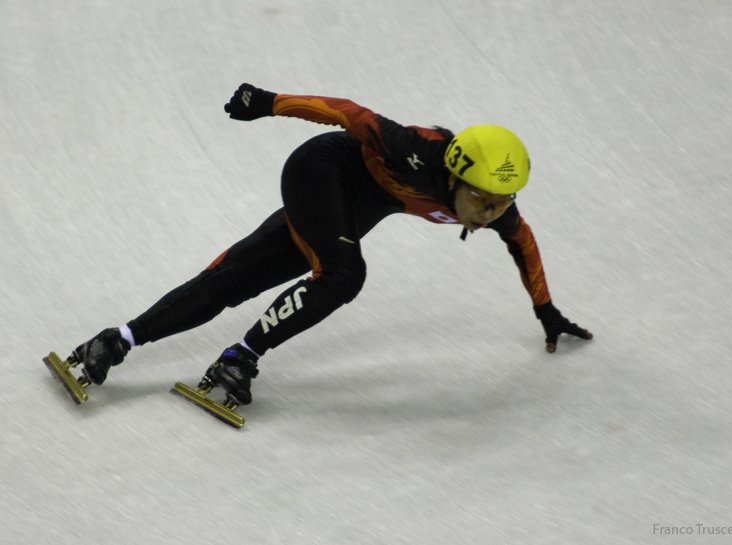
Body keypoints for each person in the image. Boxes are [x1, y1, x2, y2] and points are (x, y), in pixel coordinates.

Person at [70, 83, 592, 407]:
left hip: (350, 211)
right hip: (322, 169)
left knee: (239, 277)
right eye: (483, 202)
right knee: (343, 275)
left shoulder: (497, 206)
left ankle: (115, 341)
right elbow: (349, 112)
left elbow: (523, 242)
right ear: (453, 176)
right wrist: (271, 103)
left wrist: (545, 310)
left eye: (504, 202)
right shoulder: (416, 152)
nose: (492, 215)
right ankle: (241, 358)